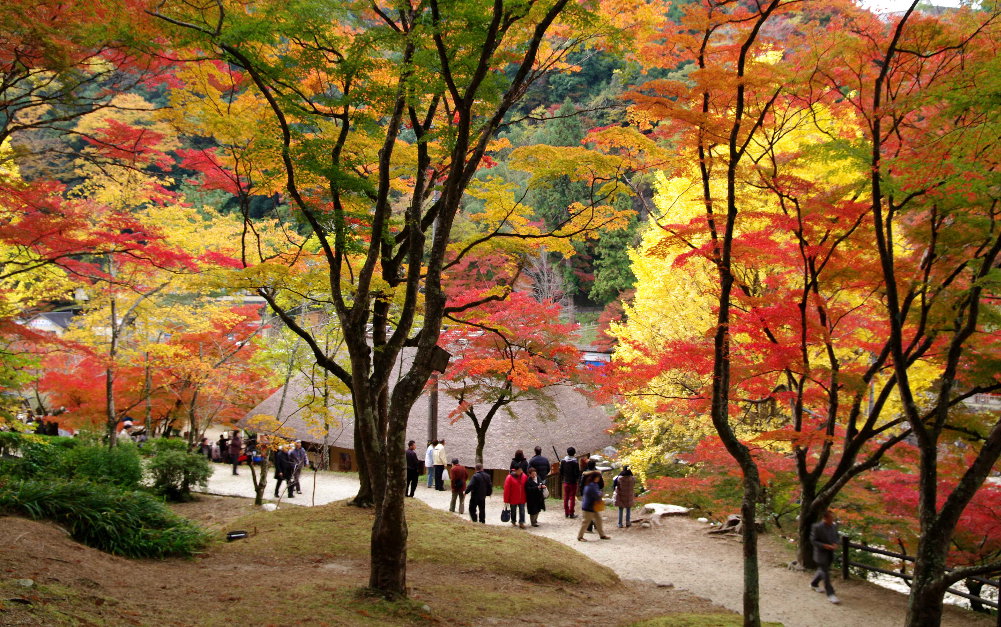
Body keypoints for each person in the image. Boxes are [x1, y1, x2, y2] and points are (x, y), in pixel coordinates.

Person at [810, 509, 842, 604]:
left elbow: (837, 537)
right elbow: (813, 540)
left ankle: (814, 583)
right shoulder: (817, 527)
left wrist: (836, 543)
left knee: (824, 570)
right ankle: (831, 594)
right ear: (825, 518)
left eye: (833, 517)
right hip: (820, 554)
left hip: (830, 553)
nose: (833, 519)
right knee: (826, 573)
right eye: (831, 517)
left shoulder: (834, 526)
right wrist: (824, 545)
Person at [578, 473, 610, 541]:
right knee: (586, 522)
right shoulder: (591, 485)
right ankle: (580, 536)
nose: (598, 479)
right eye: (597, 477)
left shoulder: (592, 484)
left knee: (598, 520)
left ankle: (602, 535)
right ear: (594, 478)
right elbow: (596, 495)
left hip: (592, 506)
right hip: (588, 507)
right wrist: (600, 494)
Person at [559, 447, 581, 518]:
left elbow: (561, 471)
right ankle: (571, 513)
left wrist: (564, 476)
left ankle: (566, 512)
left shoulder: (563, 461)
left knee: (566, 497)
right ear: (574, 453)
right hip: (573, 482)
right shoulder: (575, 462)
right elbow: (577, 473)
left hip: (566, 481)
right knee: (572, 498)